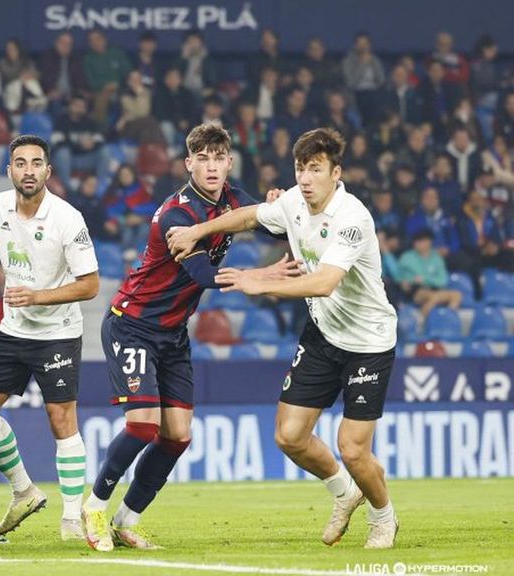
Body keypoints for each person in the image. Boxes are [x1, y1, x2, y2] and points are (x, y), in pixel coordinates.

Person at [168, 127, 401, 549]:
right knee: (290, 437)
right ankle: (344, 493)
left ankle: (383, 518)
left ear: (336, 173)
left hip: (368, 343)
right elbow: (247, 216)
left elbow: (324, 283)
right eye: (300, 169)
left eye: (315, 169)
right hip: (323, 334)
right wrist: (197, 231)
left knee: (352, 449)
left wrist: (261, 283)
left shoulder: (352, 218)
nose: (306, 179)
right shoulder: (293, 202)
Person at [82, 123, 298, 552]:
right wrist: (262, 275)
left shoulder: (233, 198)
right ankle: (95, 506)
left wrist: (281, 206)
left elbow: (275, 228)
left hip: (173, 334)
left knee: (177, 436)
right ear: (188, 164)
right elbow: (203, 274)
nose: (211, 166)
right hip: (133, 324)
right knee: (142, 426)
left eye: (218, 158)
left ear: (229, 163)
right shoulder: (176, 216)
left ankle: (126, 521)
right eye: (203, 159)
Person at [0, 135, 99, 540]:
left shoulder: (67, 218)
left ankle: (71, 518)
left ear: (48, 170)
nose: (28, 171)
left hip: (57, 333)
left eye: (36, 163)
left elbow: (91, 285)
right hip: (13, 331)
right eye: (20, 163)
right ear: (9, 169)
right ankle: (23, 491)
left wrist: (38, 297)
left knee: (61, 419)